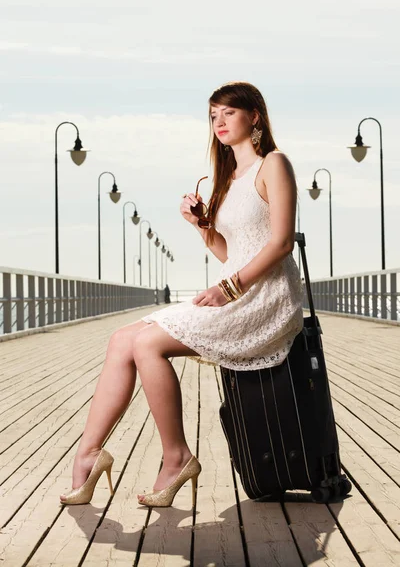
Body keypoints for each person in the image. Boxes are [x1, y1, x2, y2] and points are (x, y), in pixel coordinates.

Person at [59, 81, 304, 508]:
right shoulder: (228, 180)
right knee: (122, 339)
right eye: (213, 115)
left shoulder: (274, 165)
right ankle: (88, 456)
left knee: (149, 343)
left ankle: (177, 459)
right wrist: (200, 225)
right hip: (235, 289)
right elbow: (229, 252)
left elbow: (281, 243)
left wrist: (229, 288)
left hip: (265, 299)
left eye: (229, 112)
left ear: (255, 117)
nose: (220, 122)